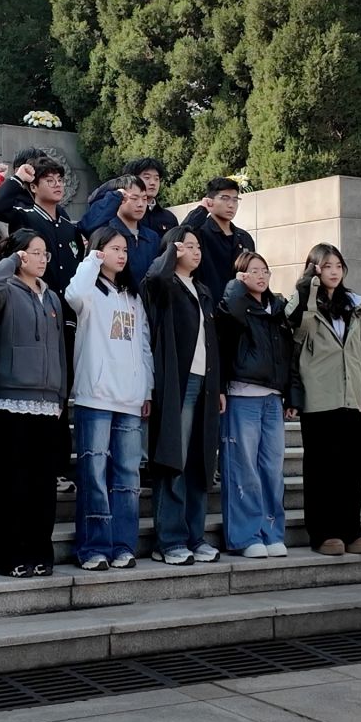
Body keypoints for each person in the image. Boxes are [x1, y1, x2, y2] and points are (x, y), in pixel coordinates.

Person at [0, 230, 69, 577]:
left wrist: (61, 394)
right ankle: (10, 556)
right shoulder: (6, 289)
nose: (43, 259)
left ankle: (40, 553)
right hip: (12, 401)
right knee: (12, 484)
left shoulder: (52, 297)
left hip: (48, 402)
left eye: (46, 253)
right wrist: (12, 260)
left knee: (42, 485)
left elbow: (60, 348)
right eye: (35, 252)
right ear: (20, 255)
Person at [66, 229, 152, 570]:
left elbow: (144, 346)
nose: (121, 255)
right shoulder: (89, 291)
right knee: (94, 474)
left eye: (125, 249)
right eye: (114, 248)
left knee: (128, 478)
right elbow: (73, 294)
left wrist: (146, 388)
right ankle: (93, 548)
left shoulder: (133, 296)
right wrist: (92, 258)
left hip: (129, 397)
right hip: (96, 397)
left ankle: (123, 545)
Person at [289, 243, 361, 557]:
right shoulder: (302, 301)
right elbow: (297, 330)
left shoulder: (354, 306)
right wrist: (309, 288)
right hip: (318, 398)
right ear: (314, 269)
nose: (334, 272)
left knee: (353, 469)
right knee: (321, 470)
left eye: (338, 265)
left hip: (350, 397)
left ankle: (351, 530)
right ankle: (323, 533)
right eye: (326, 266)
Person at [142, 227, 223, 565]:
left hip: (205, 384)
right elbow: (153, 278)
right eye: (187, 246)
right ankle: (170, 540)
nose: (195, 251)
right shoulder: (165, 285)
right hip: (179, 384)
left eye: (197, 246)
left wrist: (218, 387)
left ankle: (195, 536)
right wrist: (170, 255)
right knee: (174, 460)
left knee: (199, 463)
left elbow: (211, 343)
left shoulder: (202, 290)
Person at [218, 252, 298, 558]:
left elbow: (289, 354)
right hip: (242, 395)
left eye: (265, 270)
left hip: (272, 398)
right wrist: (235, 286)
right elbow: (227, 323)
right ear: (241, 275)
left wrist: (291, 395)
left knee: (272, 469)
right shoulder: (235, 304)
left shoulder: (277, 308)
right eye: (253, 271)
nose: (261, 276)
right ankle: (245, 536)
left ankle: (272, 532)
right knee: (243, 469)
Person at [0, 155, 84, 293]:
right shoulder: (24, 217)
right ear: (33, 187)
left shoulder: (69, 227)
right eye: (50, 181)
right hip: (33, 299)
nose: (57, 184)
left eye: (60, 180)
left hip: (68, 303)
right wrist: (18, 178)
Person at [179, 177, 255, 303]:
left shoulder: (244, 237)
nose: (231, 205)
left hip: (240, 307)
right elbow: (179, 234)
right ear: (210, 200)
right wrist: (202, 210)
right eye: (224, 198)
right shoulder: (200, 233)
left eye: (235, 200)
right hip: (208, 305)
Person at [79, 174, 163, 289]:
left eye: (144, 199)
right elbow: (86, 226)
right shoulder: (108, 232)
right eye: (134, 198)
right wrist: (114, 197)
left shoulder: (152, 237)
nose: (140, 204)